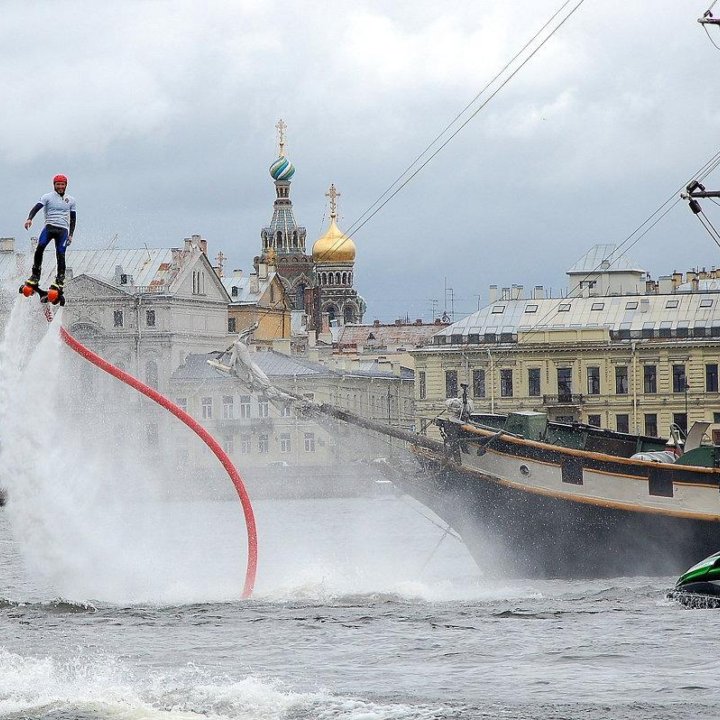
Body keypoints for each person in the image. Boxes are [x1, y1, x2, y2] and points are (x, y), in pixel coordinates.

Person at [23, 174, 76, 291]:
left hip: (63, 230)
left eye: (62, 184)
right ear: (54, 185)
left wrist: (71, 234)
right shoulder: (47, 197)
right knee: (39, 248)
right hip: (49, 228)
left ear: (66, 185)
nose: (60, 187)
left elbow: (73, 219)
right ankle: (35, 275)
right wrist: (29, 218)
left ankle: (60, 278)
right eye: (58, 184)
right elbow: (36, 208)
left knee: (60, 254)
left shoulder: (71, 200)